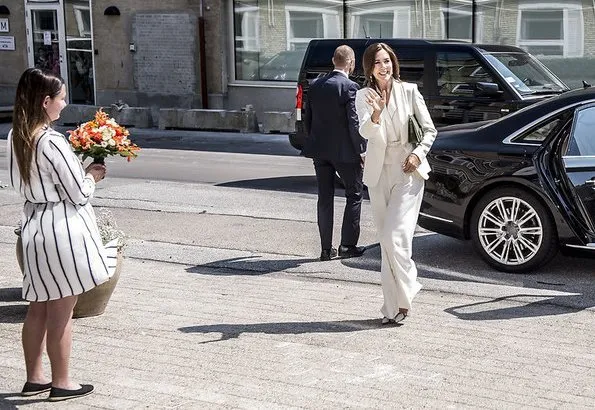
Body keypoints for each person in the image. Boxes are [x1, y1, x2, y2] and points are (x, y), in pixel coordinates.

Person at [7, 68, 112, 401]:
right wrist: (92, 174)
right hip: (60, 230)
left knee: (37, 308)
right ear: (45, 101)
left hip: (33, 226)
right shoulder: (51, 140)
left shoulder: (15, 136)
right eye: (62, 98)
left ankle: (34, 378)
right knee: (62, 311)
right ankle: (62, 381)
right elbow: (78, 192)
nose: (64, 104)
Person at [354, 43, 437, 324]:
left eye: (387, 61)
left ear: (393, 63)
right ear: (369, 68)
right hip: (379, 175)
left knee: (394, 236)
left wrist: (417, 154)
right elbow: (365, 130)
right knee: (387, 243)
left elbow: (429, 130)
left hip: (408, 172)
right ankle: (394, 307)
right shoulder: (363, 95)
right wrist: (377, 112)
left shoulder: (409, 91)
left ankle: (410, 285)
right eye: (377, 62)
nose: (383, 67)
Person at [302, 45, 367, 261]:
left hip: (320, 151)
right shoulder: (350, 87)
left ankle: (325, 249)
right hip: (345, 153)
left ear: (333, 60)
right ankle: (347, 246)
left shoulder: (316, 85)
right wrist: (361, 150)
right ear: (351, 63)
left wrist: (313, 142)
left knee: (325, 198)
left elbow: (307, 118)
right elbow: (353, 122)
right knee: (354, 194)